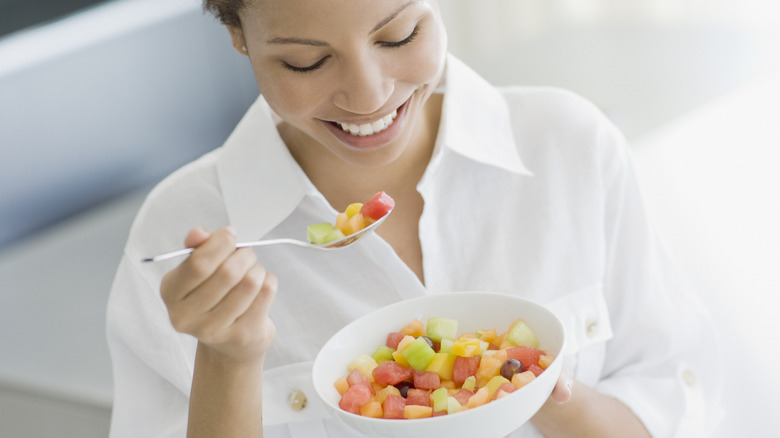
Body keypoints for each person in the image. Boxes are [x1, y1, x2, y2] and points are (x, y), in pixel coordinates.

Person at [106, 1, 721, 437]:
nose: (369, 97)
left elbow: (675, 401)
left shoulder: (570, 147)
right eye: (305, 63)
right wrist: (228, 362)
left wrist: (531, 390)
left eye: (398, 36)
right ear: (240, 37)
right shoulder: (181, 229)